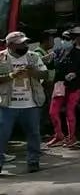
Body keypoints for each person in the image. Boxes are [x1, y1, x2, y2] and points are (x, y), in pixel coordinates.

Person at [0, 32, 48, 174]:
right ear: (10, 45)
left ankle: (33, 161)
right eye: (21, 43)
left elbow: (45, 74)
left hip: (30, 104)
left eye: (25, 43)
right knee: (2, 135)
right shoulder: (1, 57)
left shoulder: (33, 57)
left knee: (33, 133)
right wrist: (11, 75)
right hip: (7, 105)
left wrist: (33, 72)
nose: (25, 46)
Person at [48, 29, 80, 148]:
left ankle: (71, 137)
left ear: (73, 41)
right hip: (59, 85)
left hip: (74, 86)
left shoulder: (79, 53)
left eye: (67, 39)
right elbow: (52, 66)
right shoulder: (57, 52)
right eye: (63, 38)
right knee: (53, 112)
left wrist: (76, 73)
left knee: (70, 111)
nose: (64, 41)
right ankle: (58, 135)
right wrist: (48, 60)